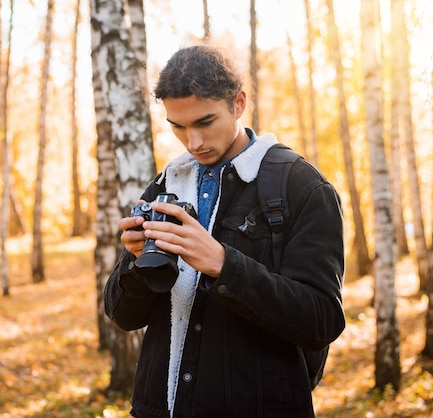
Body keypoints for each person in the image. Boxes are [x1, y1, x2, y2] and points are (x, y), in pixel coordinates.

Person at [104, 44, 345, 418]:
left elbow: (322, 320)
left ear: (239, 103)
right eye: (178, 127)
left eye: (204, 122)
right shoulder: (166, 183)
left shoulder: (301, 187)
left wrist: (223, 264)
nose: (193, 142)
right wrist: (135, 265)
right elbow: (123, 316)